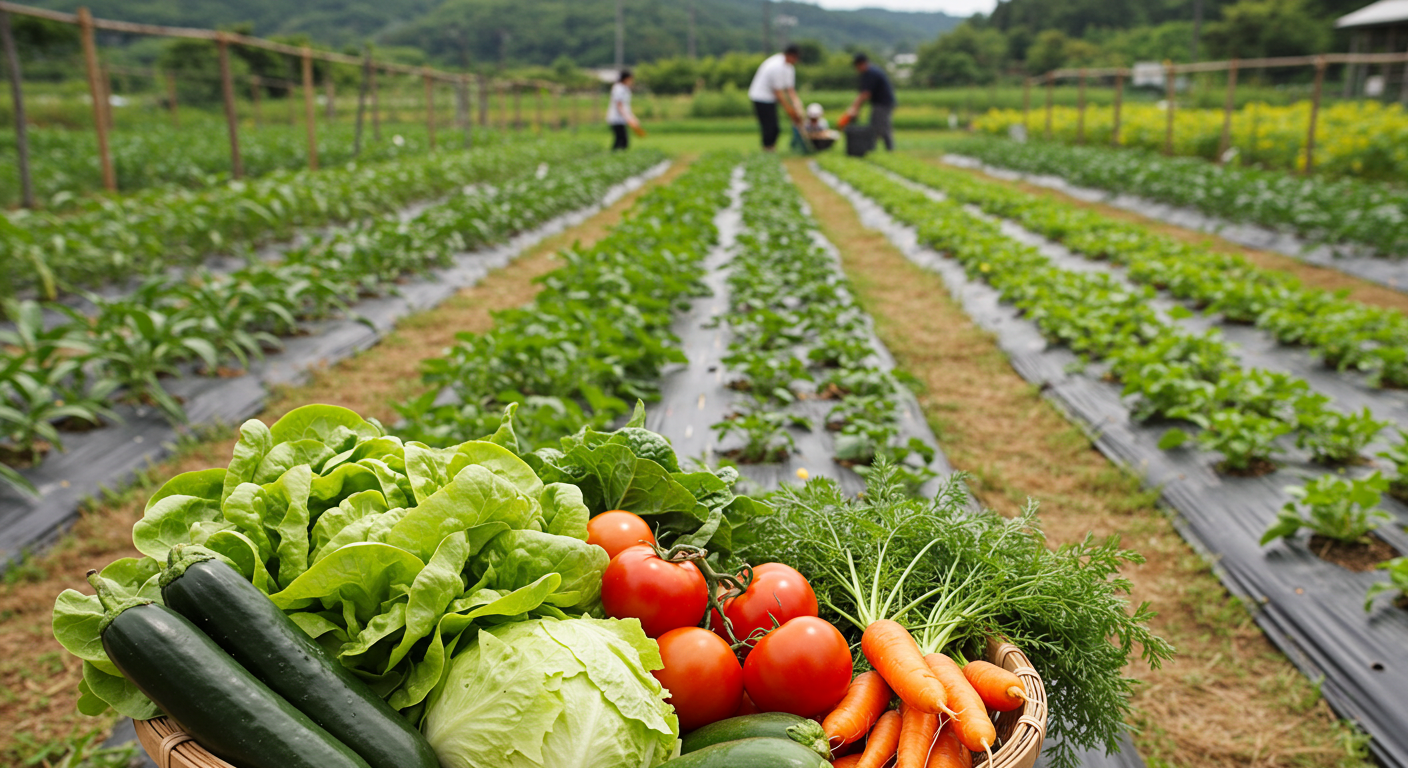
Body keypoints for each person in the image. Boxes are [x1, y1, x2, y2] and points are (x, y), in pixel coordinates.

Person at [747, 44, 805, 151]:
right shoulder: (776, 66)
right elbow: (779, 93)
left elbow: (790, 90)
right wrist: (790, 112)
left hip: (770, 99)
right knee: (770, 126)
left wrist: (798, 107)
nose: (796, 61)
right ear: (790, 55)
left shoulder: (789, 68)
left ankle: (770, 148)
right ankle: (767, 149)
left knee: (774, 127)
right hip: (761, 98)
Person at [841, 53, 896, 151]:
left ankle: (887, 150)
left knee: (881, 127)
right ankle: (872, 148)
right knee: (877, 126)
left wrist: (854, 108)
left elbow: (865, 94)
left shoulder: (870, 74)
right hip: (880, 103)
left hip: (883, 104)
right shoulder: (871, 72)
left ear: (861, 64)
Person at [606, 70, 641, 151]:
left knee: (621, 140)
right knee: (621, 141)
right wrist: (629, 119)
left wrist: (632, 118)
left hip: (621, 118)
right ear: (626, 79)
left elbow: (625, 106)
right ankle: (614, 157)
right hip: (617, 118)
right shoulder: (619, 88)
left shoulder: (623, 88)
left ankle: (614, 157)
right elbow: (619, 106)